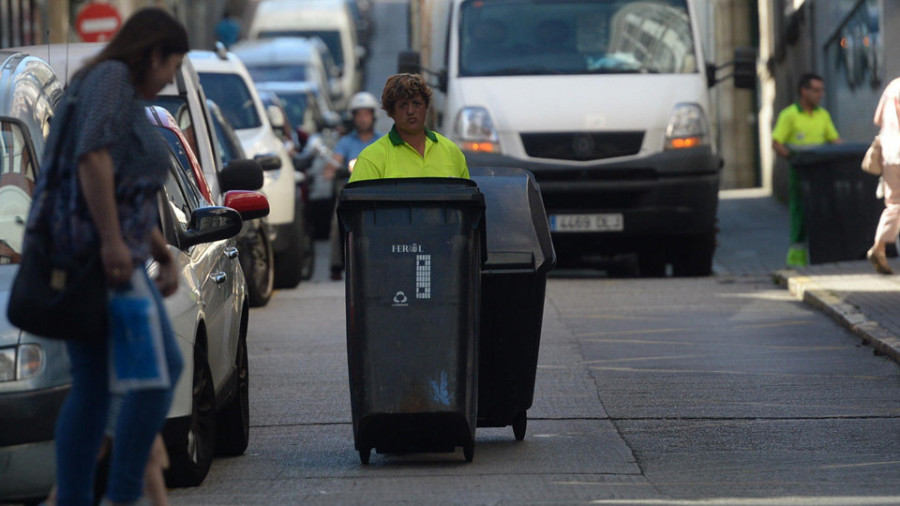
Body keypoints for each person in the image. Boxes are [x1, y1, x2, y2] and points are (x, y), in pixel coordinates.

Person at [33, 8, 187, 506]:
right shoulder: (110, 79)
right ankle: (120, 495)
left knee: (99, 385)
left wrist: (161, 251)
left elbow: (128, 188)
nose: (169, 81)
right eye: (171, 67)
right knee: (156, 370)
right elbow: (93, 155)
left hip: (111, 255)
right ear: (153, 53)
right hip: (95, 260)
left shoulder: (120, 89)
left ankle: (87, 497)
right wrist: (113, 242)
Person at [772, 73, 842, 267]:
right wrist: (792, 157)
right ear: (804, 91)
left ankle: (823, 256)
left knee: (823, 213)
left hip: (821, 173)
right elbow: (777, 142)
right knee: (800, 214)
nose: (821, 94)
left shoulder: (823, 115)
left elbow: (834, 140)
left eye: (822, 90)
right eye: (817, 90)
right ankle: (796, 262)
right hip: (800, 173)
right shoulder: (789, 115)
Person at [349, 73, 469, 182]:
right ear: (391, 112)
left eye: (416, 104)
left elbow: (467, 202)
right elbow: (357, 205)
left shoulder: (452, 152)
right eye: (403, 105)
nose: (410, 111)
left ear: (426, 107)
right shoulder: (370, 159)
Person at [326, 91, 383, 280]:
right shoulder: (345, 142)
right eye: (359, 114)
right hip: (351, 192)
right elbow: (331, 167)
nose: (363, 119)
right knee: (337, 220)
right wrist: (336, 170)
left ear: (373, 116)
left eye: (366, 114)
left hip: (377, 191)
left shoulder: (382, 141)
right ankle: (336, 264)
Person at [867, 78, 900, 274]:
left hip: (889, 155)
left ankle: (879, 246)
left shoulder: (892, 86)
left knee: (895, 204)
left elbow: (877, 119)